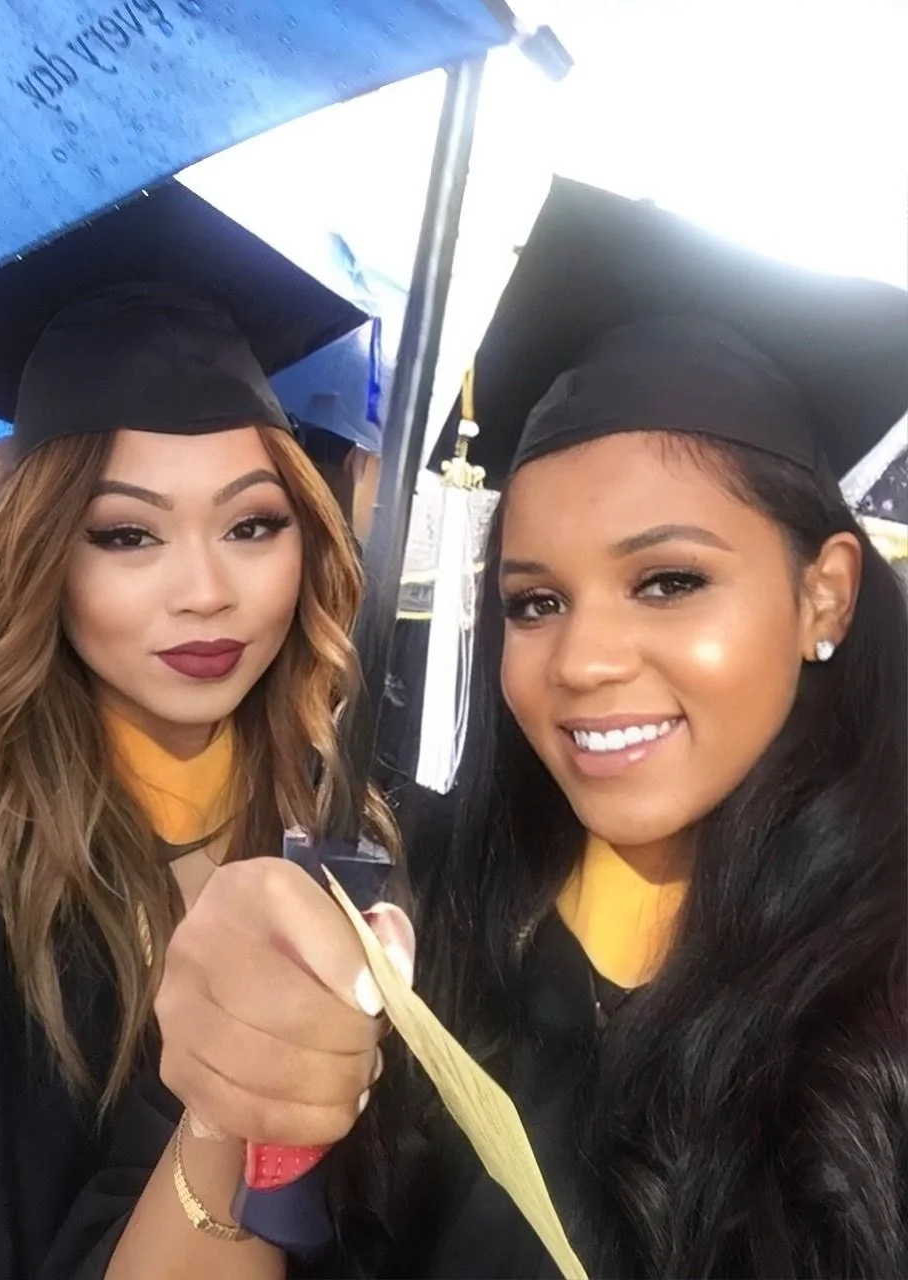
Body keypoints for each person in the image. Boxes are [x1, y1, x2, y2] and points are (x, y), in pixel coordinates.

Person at [44, 180, 907, 1278]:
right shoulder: (407, 913)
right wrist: (227, 1114)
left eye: (668, 579)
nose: (582, 659)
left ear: (825, 595)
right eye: (534, 601)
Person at [0, 265, 409, 1280]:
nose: (206, 591)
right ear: (38, 558)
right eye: (126, 534)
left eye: (252, 524)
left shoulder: (352, 822)